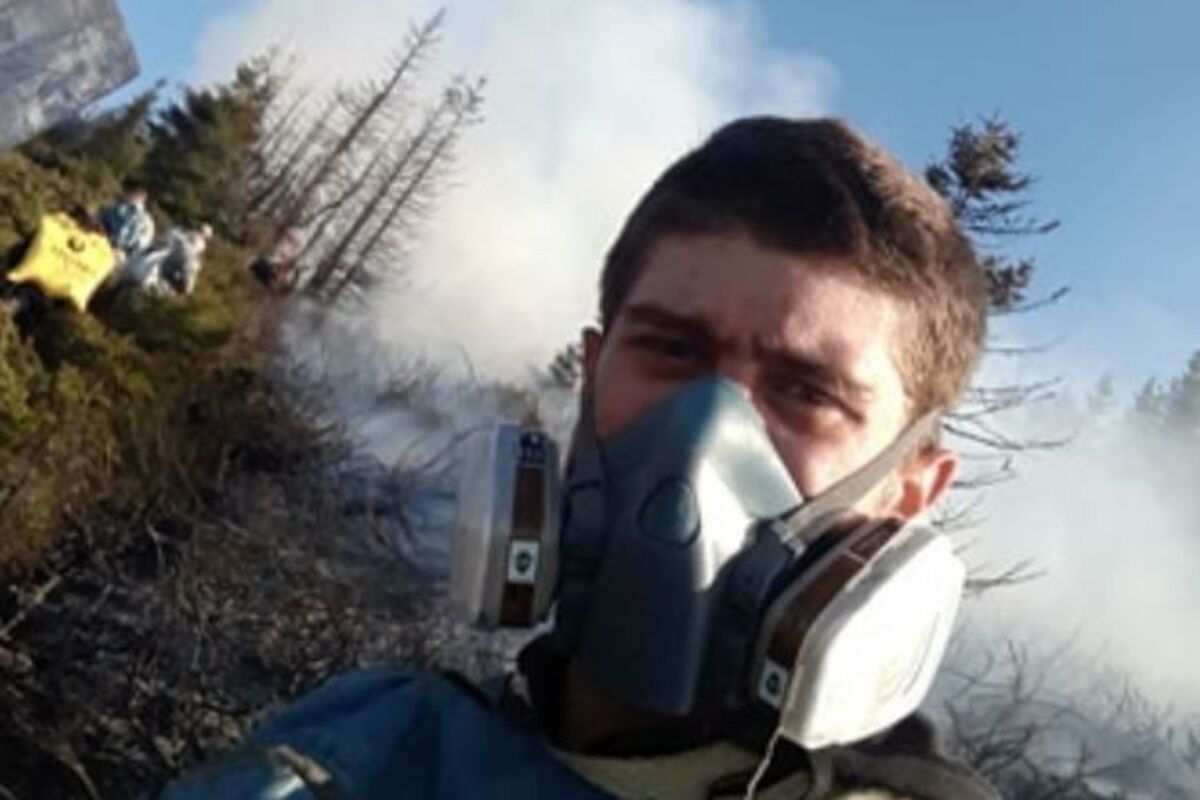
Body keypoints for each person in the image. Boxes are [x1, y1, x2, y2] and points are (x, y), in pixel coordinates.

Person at [160, 118, 999, 799]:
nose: (704, 435)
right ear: (591, 377)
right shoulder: (358, 752)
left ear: (909, 496)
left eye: (807, 393)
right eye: (671, 350)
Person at [99, 187, 156, 262]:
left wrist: (125, 255)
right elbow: (99, 220)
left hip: (117, 254)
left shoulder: (146, 221)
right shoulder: (114, 207)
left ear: (142, 199)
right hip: (100, 243)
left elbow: (141, 246)